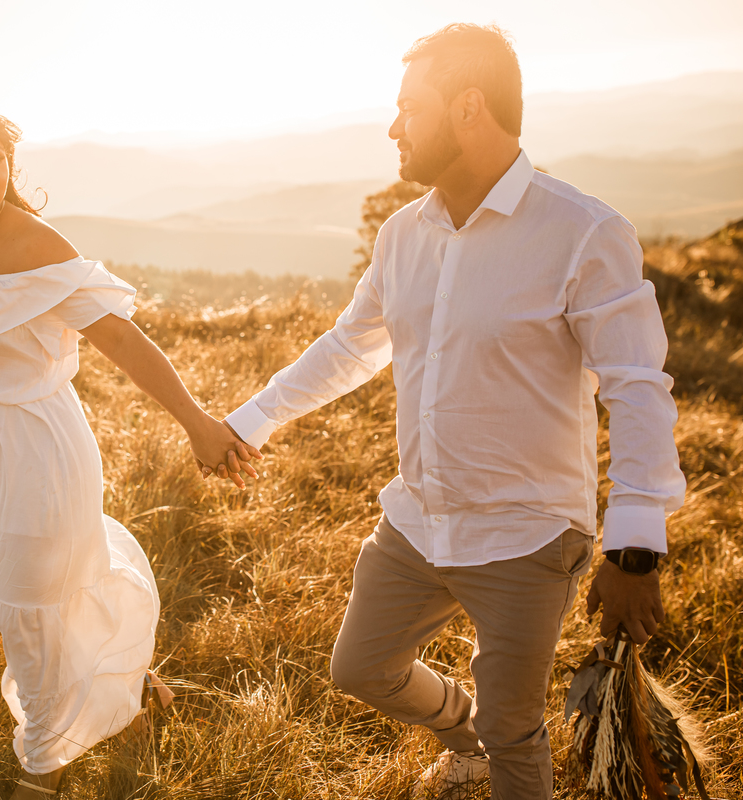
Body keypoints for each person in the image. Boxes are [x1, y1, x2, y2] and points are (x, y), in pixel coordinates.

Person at [215, 24, 685, 800]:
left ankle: (493, 744)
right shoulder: (404, 235)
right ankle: (464, 734)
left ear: (469, 108)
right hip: (418, 520)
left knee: (515, 732)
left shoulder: (583, 232)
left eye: (409, 107)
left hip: (527, 533)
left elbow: (636, 386)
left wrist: (635, 548)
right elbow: (352, 346)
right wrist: (250, 421)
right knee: (360, 668)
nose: (393, 127)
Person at [0, 91, 259, 799]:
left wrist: (196, 422)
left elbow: (122, 340)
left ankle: (43, 769)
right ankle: (130, 688)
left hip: (39, 453)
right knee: (21, 599)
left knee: (31, 609)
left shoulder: (39, 247)